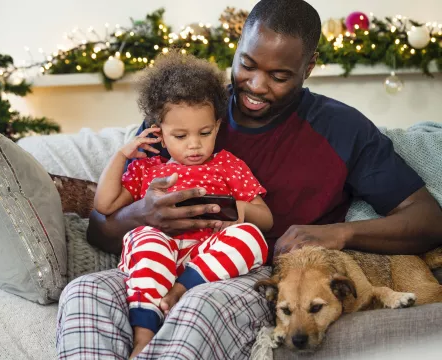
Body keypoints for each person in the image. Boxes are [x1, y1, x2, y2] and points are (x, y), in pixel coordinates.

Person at [56, 1, 442, 359]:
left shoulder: (342, 129)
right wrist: (143, 214)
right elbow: (99, 229)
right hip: (155, 260)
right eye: (247, 64)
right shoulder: (187, 112)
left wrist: (339, 234)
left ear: (308, 68)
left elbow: (428, 220)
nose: (256, 85)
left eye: (278, 75)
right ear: (237, 46)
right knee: (83, 292)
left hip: (246, 271)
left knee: (198, 308)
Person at [93, 51, 272, 358]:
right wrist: (121, 156)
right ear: (158, 132)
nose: (194, 144)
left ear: (216, 127)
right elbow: (105, 204)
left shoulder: (228, 164)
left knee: (252, 237)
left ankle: (182, 289)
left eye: (204, 133)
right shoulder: (147, 169)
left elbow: (266, 219)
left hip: (208, 260)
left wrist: (236, 212)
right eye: (180, 135)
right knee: (144, 237)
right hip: (160, 252)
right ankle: (144, 336)